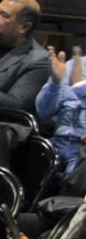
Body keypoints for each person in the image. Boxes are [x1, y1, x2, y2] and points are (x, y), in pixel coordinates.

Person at [38, 45, 85, 174]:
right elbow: (44, 112)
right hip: (56, 144)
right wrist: (55, 83)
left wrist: (80, 91)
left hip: (81, 152)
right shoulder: (71, 65)